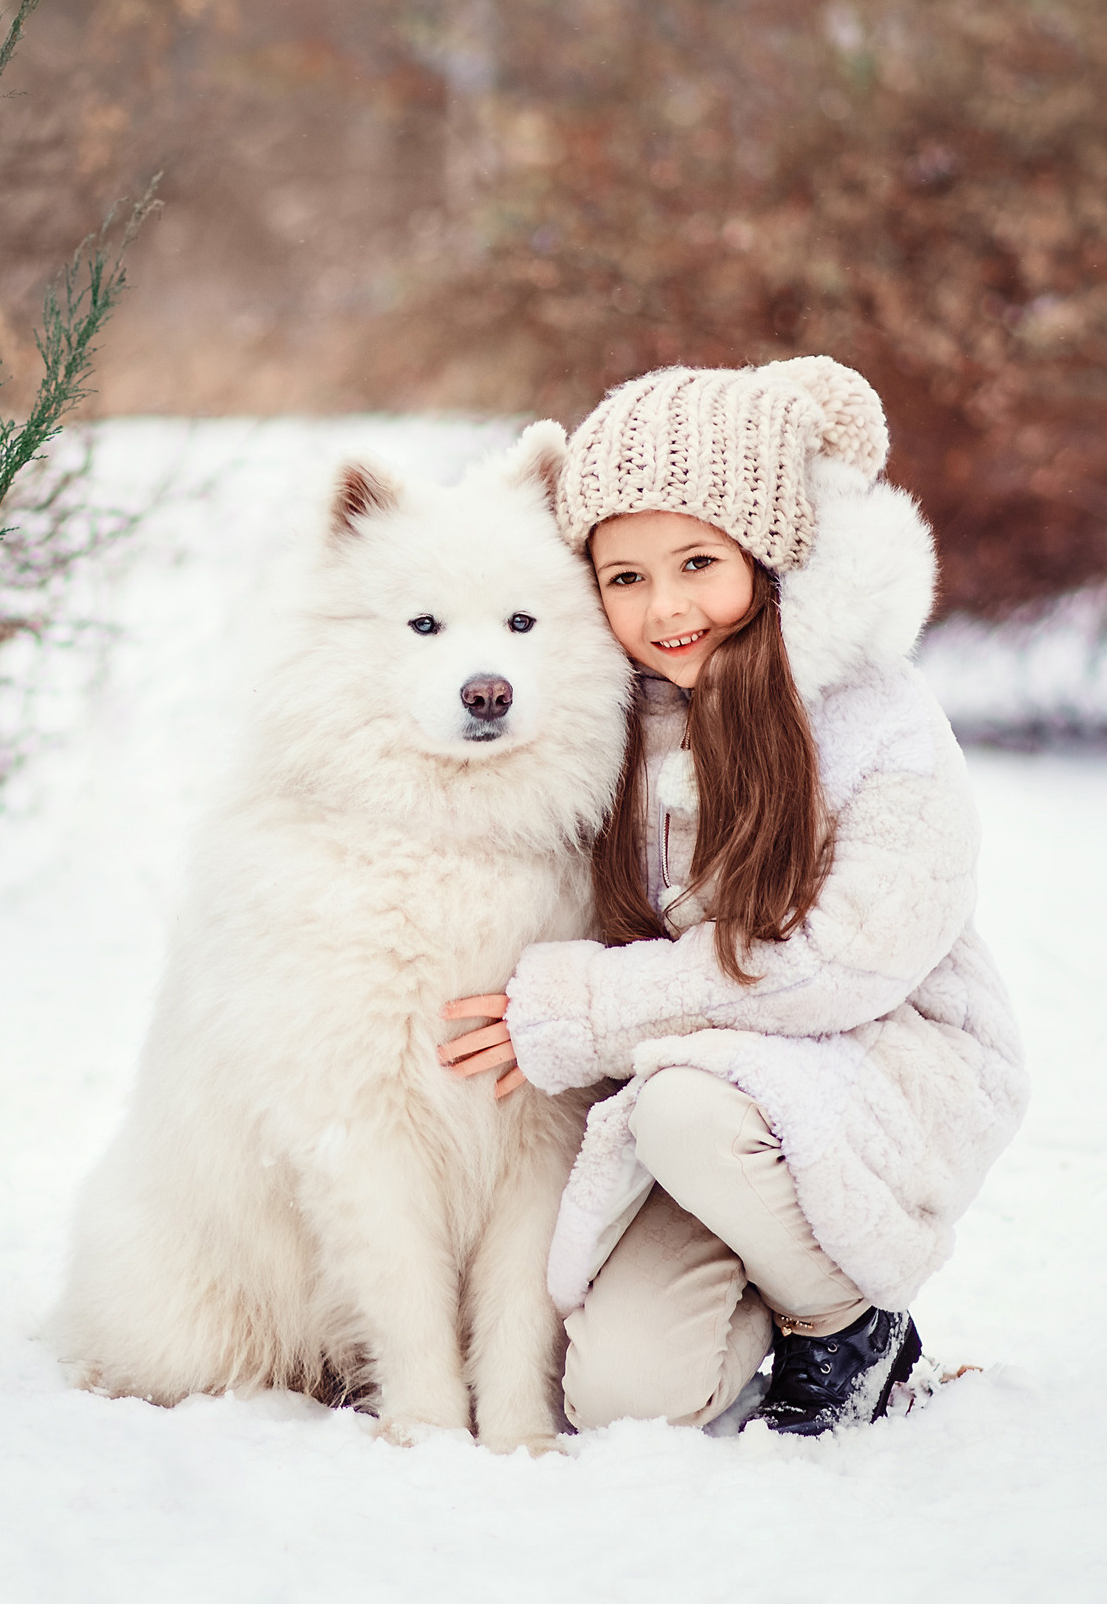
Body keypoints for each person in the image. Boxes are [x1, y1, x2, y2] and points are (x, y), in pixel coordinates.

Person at [436, 357, 1029, 1437]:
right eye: (622, 577)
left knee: (688, 1107)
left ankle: (848, 1318)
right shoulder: (615, 715)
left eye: (696, 562)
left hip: (876, 1071)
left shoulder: (871, 715)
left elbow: (850, 957)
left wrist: (582, 1009)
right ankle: (773, 1266)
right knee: (628, 1402)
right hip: (694, 1102)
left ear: (766, 550)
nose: (663, 607)